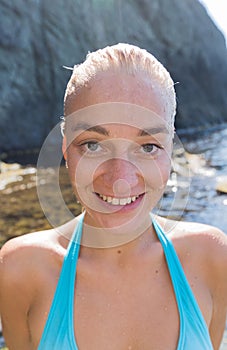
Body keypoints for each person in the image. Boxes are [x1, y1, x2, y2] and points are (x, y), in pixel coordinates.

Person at [0, 43, 226, 350]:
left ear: (171, 151)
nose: (121, 179)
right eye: (93, 144)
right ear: (66, 149)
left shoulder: (212, 259)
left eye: (148, 147)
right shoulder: (20, 271)